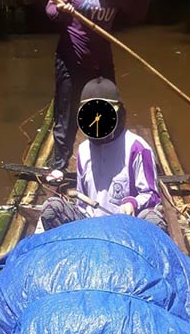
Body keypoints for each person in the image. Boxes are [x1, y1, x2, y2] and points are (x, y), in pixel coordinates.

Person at [46, 0, 149, 172]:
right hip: (71, 57)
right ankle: (59, 165)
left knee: (107, 110)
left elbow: (138, 14)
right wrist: (63, 12)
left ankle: (108, 162)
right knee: (67, 113)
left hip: (101, 59)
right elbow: (49, 9)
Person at [41, 77, 166, 231]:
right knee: (51, 208)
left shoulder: (138, 148)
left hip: (128, 228)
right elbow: (81, 199)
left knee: (153, 219)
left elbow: (152, 196)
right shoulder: (84, 149)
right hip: (90, 224)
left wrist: (132, 203)